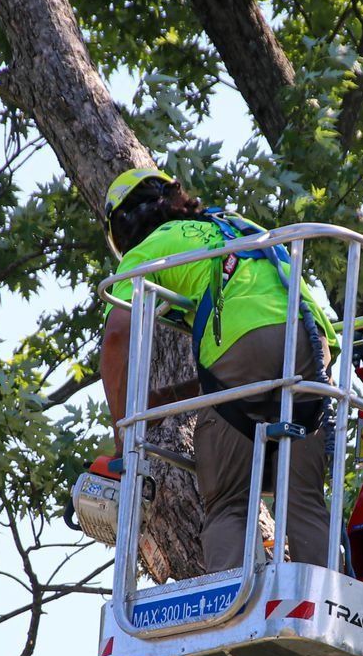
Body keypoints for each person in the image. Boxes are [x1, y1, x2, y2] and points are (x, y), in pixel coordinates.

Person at [98, 168, 340, 574]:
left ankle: (233, 615)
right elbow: (263, 349)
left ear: (126, 231)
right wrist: (170, 399)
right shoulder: (239, 229)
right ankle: (326, 602)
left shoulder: (153, 246)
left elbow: (117, 337)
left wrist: (124, 431)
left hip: (247, 350)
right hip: (312, 349)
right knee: (304, 500)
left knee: (229, 502)